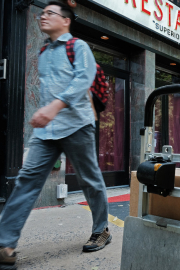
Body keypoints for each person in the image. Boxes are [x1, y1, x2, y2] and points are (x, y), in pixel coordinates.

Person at [0, 2, 111, 269]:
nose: (43, 16)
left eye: (50, 13)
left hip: (77, 125)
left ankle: (102, 229)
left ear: (66, 20)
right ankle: (5, 243)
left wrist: (53, 107)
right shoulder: (43, 51)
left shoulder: (78, 46)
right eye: (42, 12)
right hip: (47, 131)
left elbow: (83, 80)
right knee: (26, 181)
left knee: (90, 180)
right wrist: (45, 113)